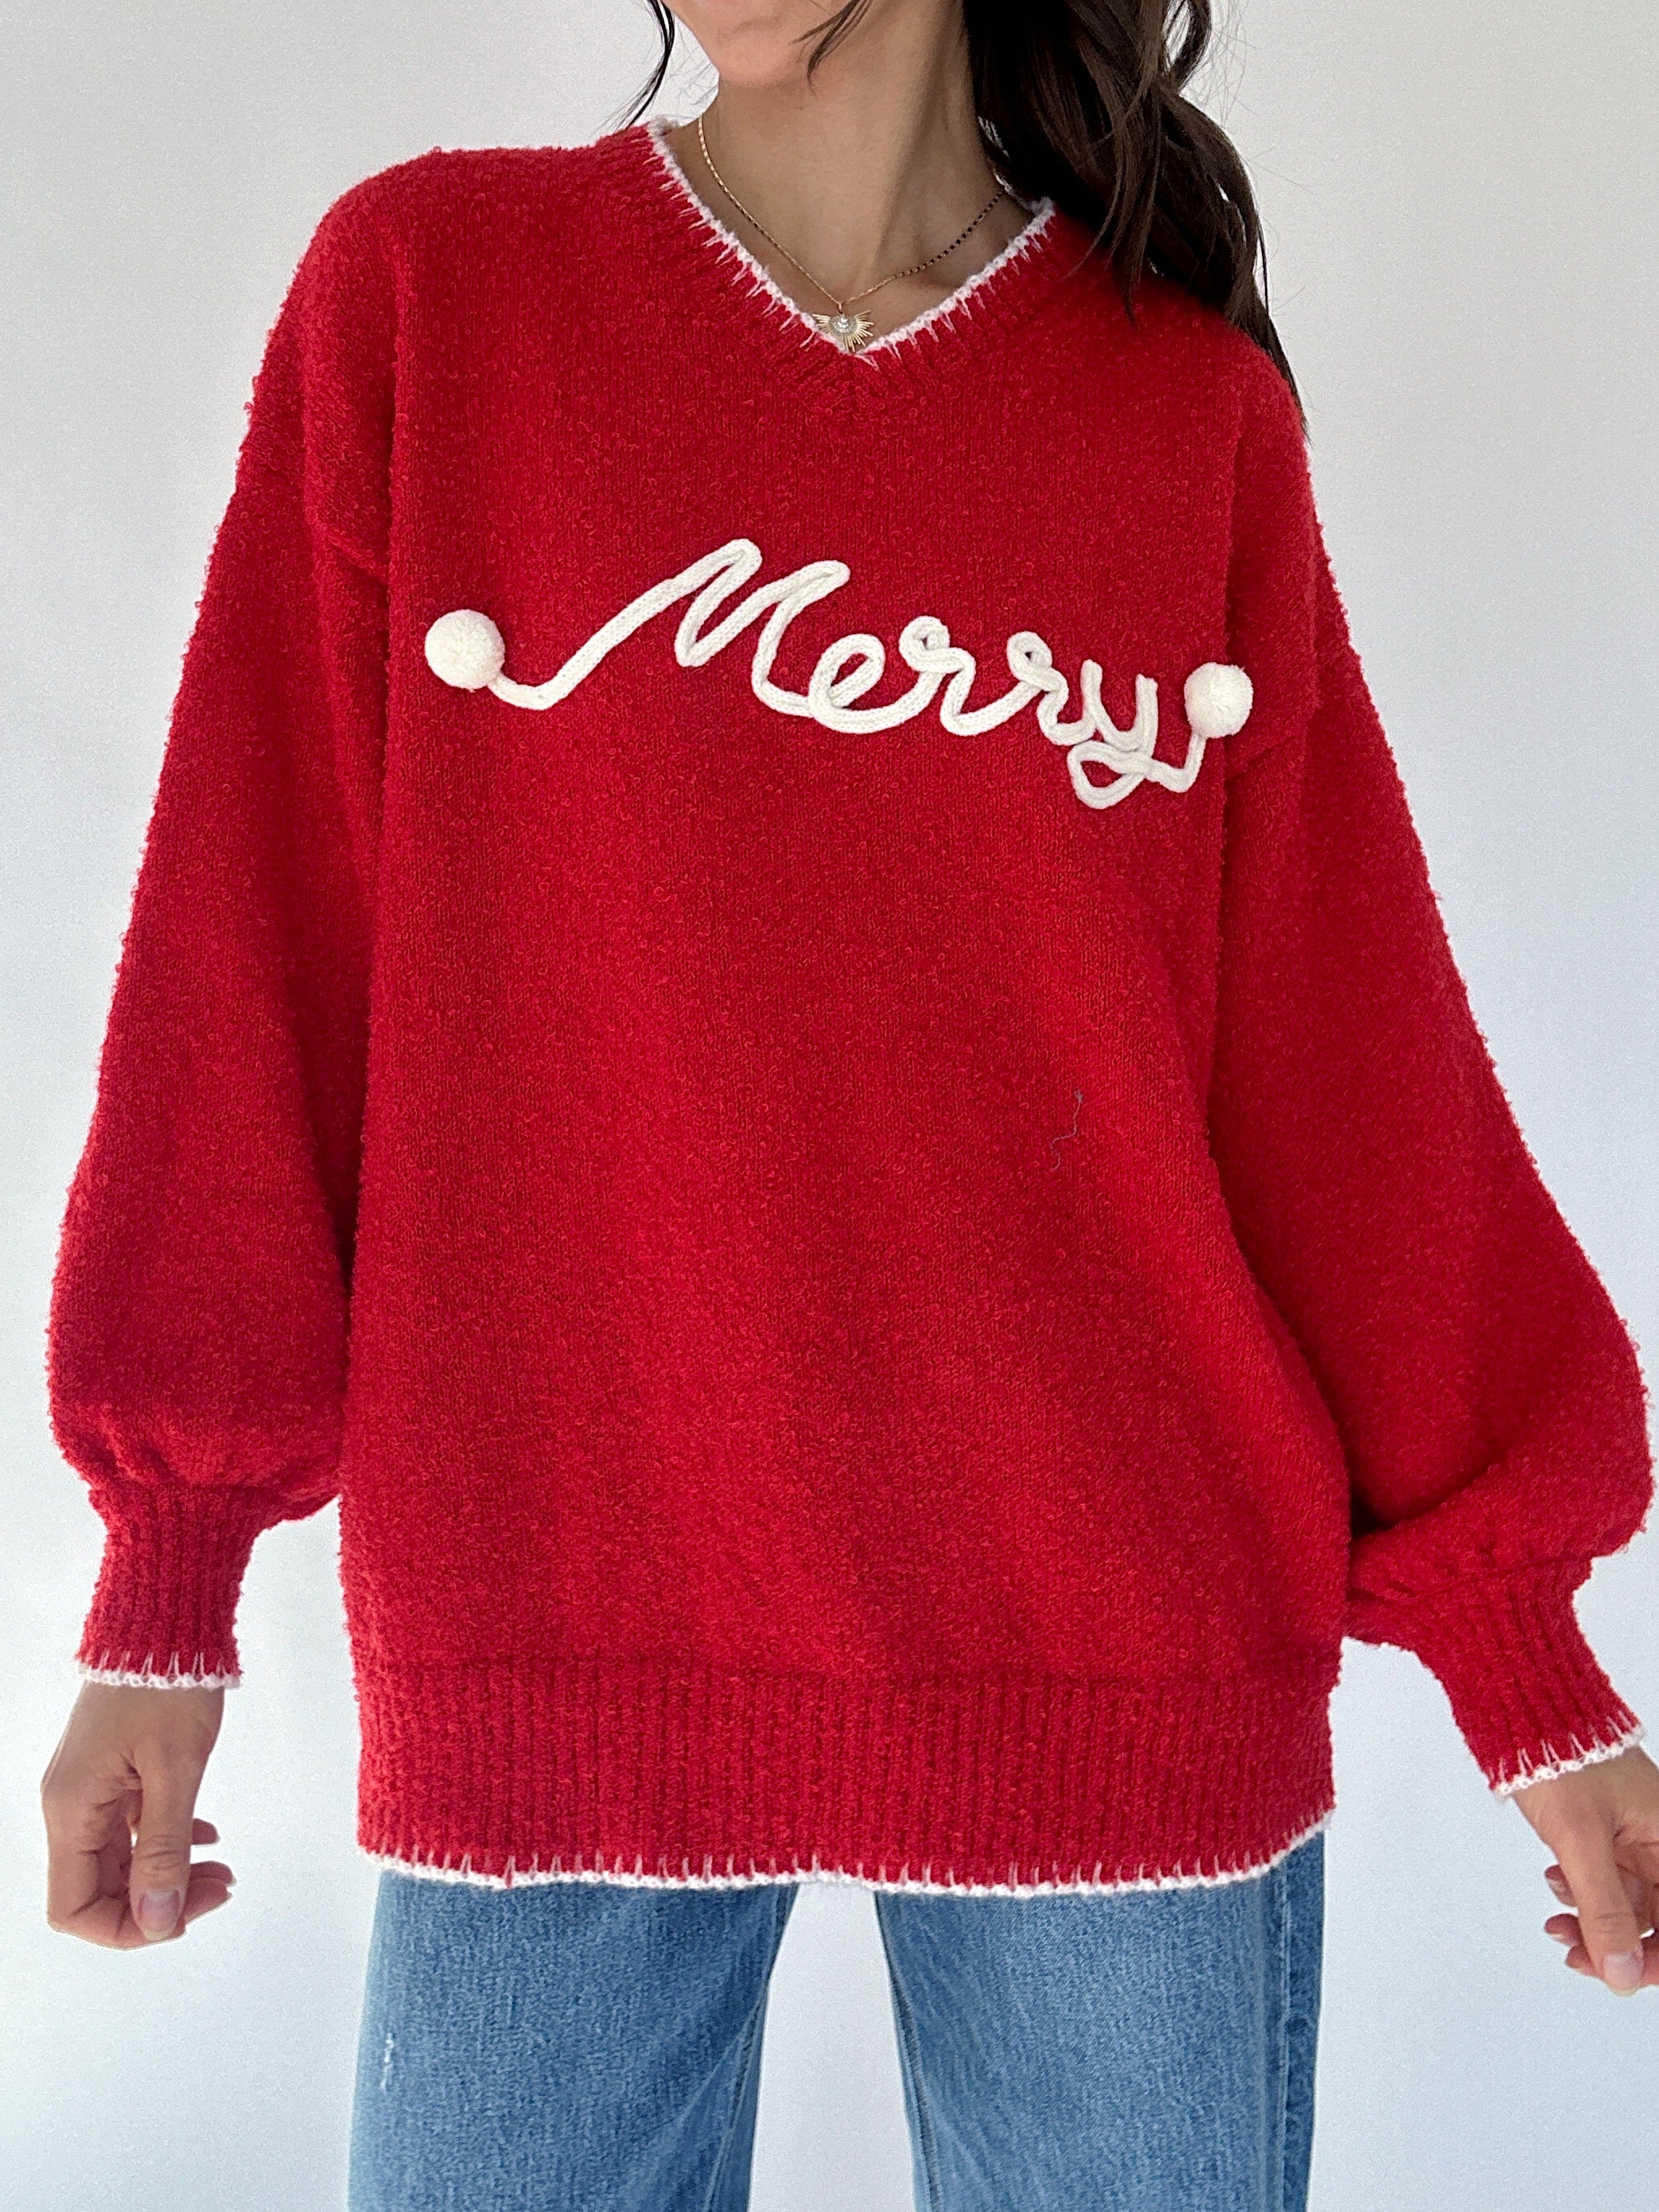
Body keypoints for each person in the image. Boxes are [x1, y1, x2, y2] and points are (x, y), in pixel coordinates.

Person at [38, 2, 1657, 2206]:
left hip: (1122, 1645)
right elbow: (252, 958)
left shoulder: (1177, 413)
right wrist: (168, 1576)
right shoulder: (434, 299)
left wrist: (1521, 1651)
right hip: (556, 1623)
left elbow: (1337, 1056)